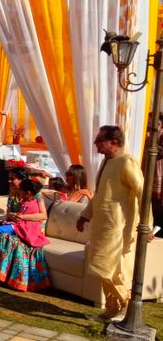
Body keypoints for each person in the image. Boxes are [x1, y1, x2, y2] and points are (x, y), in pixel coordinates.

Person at [76, 125, 144, 322]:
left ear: (113, 143)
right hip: (102, 225)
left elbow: (142, 193)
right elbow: (99, 195)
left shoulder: (126, 161)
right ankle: (112, 310)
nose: (96, 144)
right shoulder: (107, 161)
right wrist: (85, 216)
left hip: (117, 227)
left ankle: (126, 307)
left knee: (112, 269)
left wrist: (146, 223)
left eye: (100, 141)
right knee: (103, 269)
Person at [0, 168, 52, 292]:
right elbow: (9, 215)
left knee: (9, 240)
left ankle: (6, 276)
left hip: (32, 229)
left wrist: (23, 217)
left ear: (22, 180)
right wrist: (4, 221)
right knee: (3, 235)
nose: (9, 181)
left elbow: (43, 216)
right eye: (9, 178)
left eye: (13, 178)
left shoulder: (35, 194)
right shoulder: (12, 195)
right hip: (18, 225)